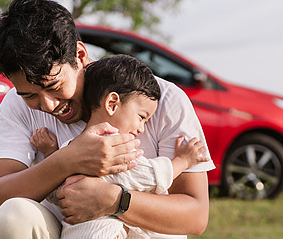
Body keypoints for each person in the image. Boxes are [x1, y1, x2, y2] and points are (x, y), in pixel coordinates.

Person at [0, 0, 215, 239]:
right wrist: (67, 160)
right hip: (70, 232)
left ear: (80, 56)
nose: (48, 105)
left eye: (54, 86)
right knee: (12, 217)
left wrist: (114, 199)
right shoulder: (17, 105)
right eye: (30, 95)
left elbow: (196, 217)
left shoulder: (158, 100)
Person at [31, 54, 210, 238]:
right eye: (141, 117)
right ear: (112, 103)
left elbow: (57, 195)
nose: (141, 128)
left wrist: (51, 153)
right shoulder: (115, 150)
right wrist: (183, 160)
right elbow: (150, 176)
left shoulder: (70, 148)